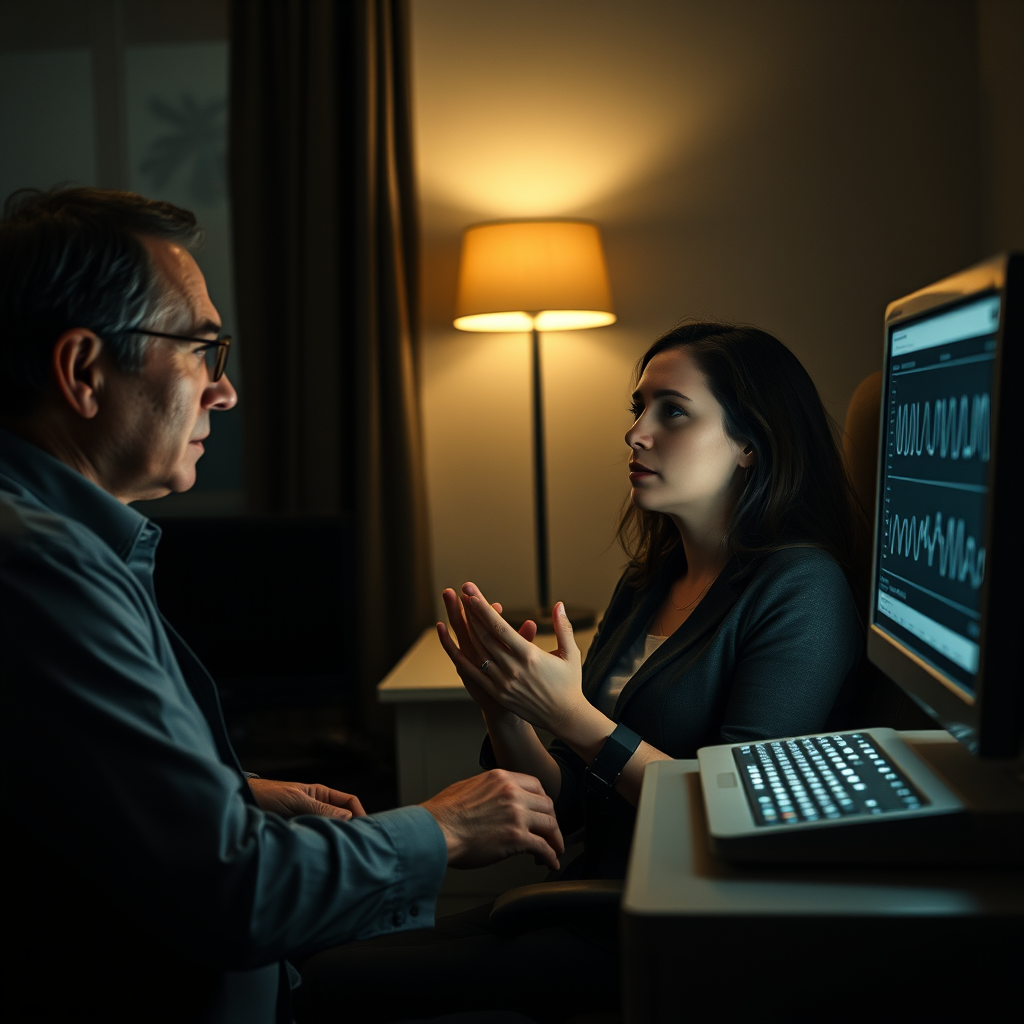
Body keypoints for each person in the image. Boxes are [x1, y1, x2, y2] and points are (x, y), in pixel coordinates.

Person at [0, 186, 563, 1024]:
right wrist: (441, 827)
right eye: (202, 351)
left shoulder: (65, 543)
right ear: (84, 371)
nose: (224, 394)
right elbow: (230, 891)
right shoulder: (42, 566)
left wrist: (234, 791)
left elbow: (56, 796)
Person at [299, 322, 865, 1023]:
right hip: (586, 896)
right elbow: (563, 808)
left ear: (751, 445)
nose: (637, 434)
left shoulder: (802, 588)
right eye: (639, 409)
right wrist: (504, 707)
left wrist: (573, 717)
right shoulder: (648, 584)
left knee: (332, 984)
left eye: (673, 411)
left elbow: (740, 814)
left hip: (676, 929)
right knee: (313, 958)